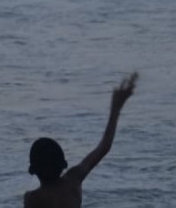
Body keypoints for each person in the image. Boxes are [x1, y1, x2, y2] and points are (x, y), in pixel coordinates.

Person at [24, 72, 138, 208]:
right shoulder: (73, 180)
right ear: (63, 164)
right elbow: (104, 147)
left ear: (33, 169)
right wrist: (115, 109)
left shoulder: (33, 199)